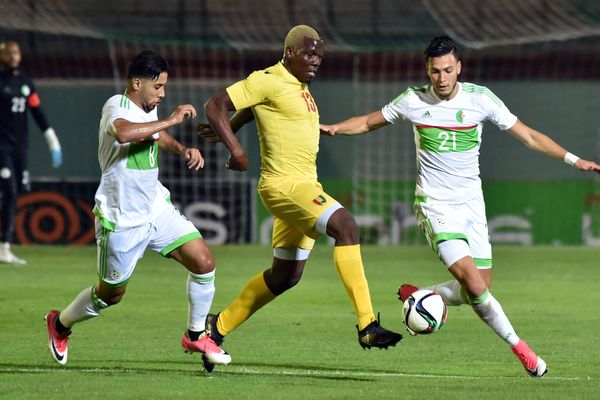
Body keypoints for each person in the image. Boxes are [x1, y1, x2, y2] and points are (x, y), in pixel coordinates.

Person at [320, 35, 600, 378]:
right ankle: (522, 350)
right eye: (435, 71)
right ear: (427, 70)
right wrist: (334, 128)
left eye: (448, 70)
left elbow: (528, 136)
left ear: (459, 68)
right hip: (436, 206)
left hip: (472, 207)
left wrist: (573, 160)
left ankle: (424, 295)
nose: (441, 78)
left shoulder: (480, 99)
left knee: (478, 287)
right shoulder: (413, 100)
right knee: (475, 285)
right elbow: (367, 121)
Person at [200, 25, 402, 366]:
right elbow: (214, 104)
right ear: (290, 51)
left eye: (319, 56)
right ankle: (367, 323)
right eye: (309, 54)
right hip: (284, 186)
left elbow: (254, 108)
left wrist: (233, 127)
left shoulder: (298, 87)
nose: (315, 61)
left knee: (285, 276)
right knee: (346, 226)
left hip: (305, 186)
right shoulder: (268, 77)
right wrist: (236, 151)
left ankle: (215, 329)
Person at [45, 50, 230, 371]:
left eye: (164, 87)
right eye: (157, 87)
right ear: (136, 83)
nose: (163, 93)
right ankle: (60, 324)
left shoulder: (148, 112)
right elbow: (123, 132)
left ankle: (195, 334)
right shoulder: (117, 105)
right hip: (121, 219)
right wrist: (172, 118)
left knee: (204, 262)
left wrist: (182, 148)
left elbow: (157, 135)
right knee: (109, 295)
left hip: (156, 208)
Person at [0, 40, 62, 265]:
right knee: (9, 189)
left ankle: (4, 248)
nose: (14, 55)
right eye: (10, 52)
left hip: (20, 149)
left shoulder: (25, 82)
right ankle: (3, 246)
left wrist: (52, 140)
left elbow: (37, 111)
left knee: (14, 194)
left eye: (16, 51)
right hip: (2, 147)